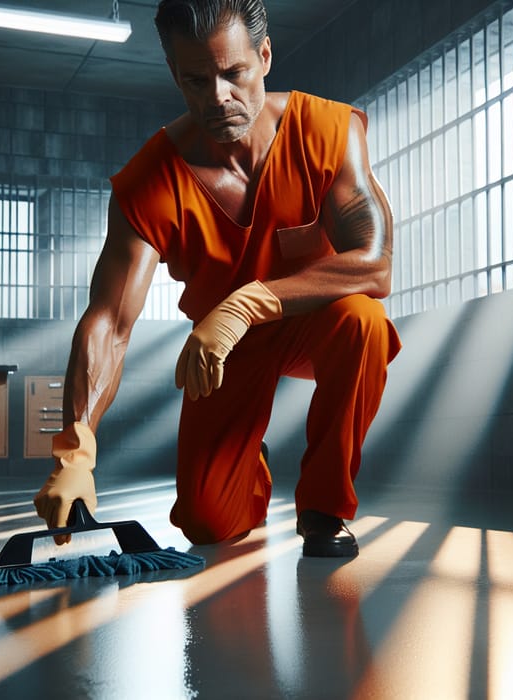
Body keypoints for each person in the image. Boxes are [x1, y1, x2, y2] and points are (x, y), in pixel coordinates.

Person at [34, 0, 401, 558]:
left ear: (265, 56)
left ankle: (325, 510)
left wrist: (247, 303)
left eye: (234, 74)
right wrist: (75, 448)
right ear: (175, 76)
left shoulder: (327, 130)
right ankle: (249, 462)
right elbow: (108, 323)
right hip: (221, 356)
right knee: (210, 524)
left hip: (312, 323)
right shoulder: (148, 182)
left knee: (363, 320)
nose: (217, 97)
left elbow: (373, 263)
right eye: (196, 80)